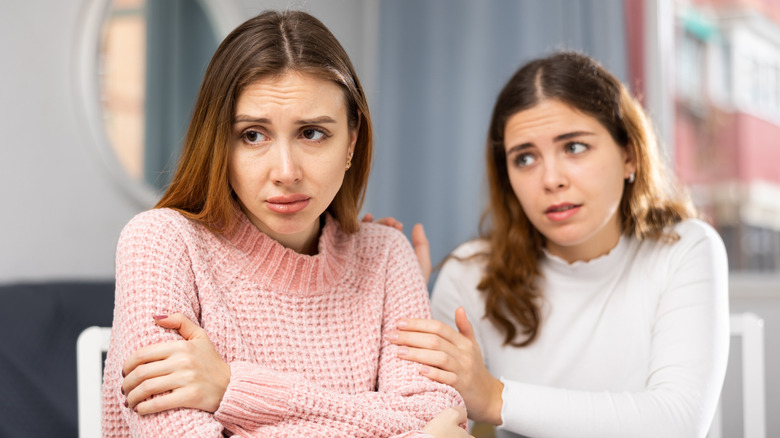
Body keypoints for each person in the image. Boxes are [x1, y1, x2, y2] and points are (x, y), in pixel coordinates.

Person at [101, 10, 468, 437]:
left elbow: (438, 417)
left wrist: (232, 388)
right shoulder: (160, 242)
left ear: (351, 143)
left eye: (312, 133)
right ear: (220, 142)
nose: (286, 171)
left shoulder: (386, 254)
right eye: (253, 134)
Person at [388, 51, 729, 438]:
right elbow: (420, 415)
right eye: (526, 158)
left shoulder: (685, 249)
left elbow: (677, 423)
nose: (551, 179)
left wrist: (496, 399)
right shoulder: (470, 272)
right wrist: (395, 296)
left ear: (629, 155)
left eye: (574, 147)